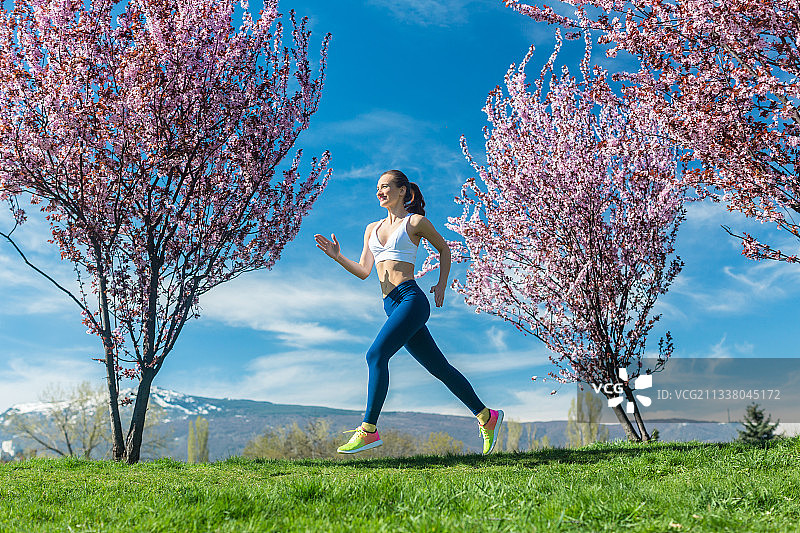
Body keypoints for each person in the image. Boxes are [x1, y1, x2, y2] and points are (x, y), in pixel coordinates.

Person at [314, 169, 503, 455]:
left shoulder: (414, 222)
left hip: (411, 300)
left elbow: (445, 249)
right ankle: (486, 416)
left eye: (386, 187)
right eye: (378, 188)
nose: (380, 192)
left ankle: (368, 430)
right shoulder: (371, 229)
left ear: (402, 191)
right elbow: (365, 271)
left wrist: (441, 285)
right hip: (391, 305)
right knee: (439, 368)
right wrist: (338, 257)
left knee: (375, 355)